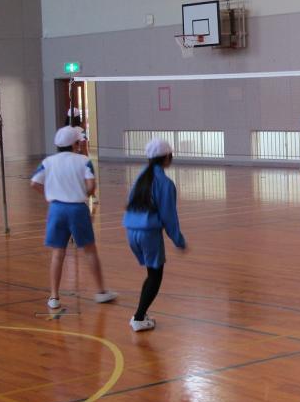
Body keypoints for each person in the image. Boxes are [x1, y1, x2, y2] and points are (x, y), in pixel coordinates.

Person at [30, 126, 117, 310]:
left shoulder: (48, 161)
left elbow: (34, 182)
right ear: (75, 144)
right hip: (77, 209)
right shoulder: (84, 161)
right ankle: (101, 292)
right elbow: (91, 186)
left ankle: (54, 296)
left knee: (57, 253)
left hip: (56, 209)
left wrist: (49, 195)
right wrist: (85, 193)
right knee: (90, 251)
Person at [123, 138, 186, 332]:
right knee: (155, 277)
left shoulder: (140, 178)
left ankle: (140, 315)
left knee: (151, 274)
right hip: (148, 234)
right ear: (167, 157)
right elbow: (169, 216)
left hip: (131, 231)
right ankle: (138, 318)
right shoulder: (165, 183)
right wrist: (178, 240)